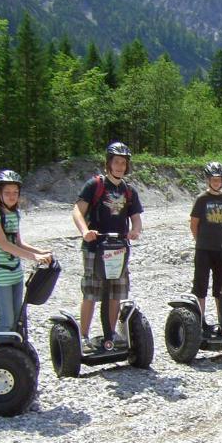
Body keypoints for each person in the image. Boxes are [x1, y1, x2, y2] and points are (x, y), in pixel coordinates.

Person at [72, 142, 144, 351]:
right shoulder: (95, 185)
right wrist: (85, 231)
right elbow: (77, 211)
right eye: (117, 162)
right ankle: (83, 336)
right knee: (91, 291)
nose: (120, 166)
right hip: (95, 247)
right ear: (109, 163)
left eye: (123, 163)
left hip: (118, 248)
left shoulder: (129, 191)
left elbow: (136, 218)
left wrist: (136, 230)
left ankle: (109, 334)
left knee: (116, 292)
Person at [0, 169, 53, 333]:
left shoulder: (15, 213)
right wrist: (34, 257)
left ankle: (16, 354)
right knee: (6, 321)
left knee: (18, 319)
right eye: (7, 192)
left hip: (15, 272)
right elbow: (4, 244)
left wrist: (41, 251)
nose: (12, 196)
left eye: (15, 192)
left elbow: (18, 243)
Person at [190, 161, 222, 333]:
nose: (216, 182)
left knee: (220, 287)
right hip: (203, 249)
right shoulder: (202, 199)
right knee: (201, 285)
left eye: (219, 179)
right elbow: (194, 223)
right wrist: (198, 241)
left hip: (221, 249)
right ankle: (200, 321)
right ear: (208, 180)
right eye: (213, 180)